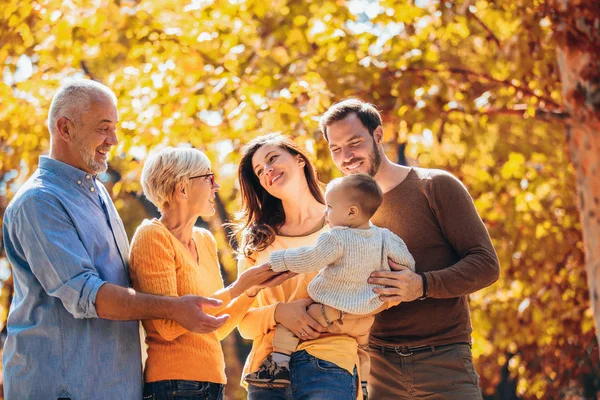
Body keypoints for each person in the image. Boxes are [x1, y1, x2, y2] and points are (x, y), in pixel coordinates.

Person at [1, 80, 229, 400]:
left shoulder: (97, 194)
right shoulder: (39, 201)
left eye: (115, 128)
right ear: (65, 128)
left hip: (115, 388)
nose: (114, 140)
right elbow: (86, 295)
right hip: (62, 388)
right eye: (103, 128)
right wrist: (173, 309)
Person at [320, 98, 500, 399]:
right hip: (376, 369)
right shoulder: (339, 212)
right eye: (336, 149)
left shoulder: (434, 186)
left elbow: (485, 264)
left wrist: (422, 285)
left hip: (444, 361)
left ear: (378, 136)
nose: (347, 157)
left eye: (354, 143)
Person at [129, 147, 290, 400]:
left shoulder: (204, 240)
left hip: (212, 383)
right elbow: (168, 326)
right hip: (174, 385)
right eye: (208, 178)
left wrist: (251, 290)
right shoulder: (152, 237)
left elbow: (217, 327)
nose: (215, 187)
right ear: (182, 188)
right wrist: (237, 287)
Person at [244, 173, 415, 396]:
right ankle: (363, 385)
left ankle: (278, 365)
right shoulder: (386, 237)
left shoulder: (336, 238)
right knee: (363, 350)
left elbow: (310, 258)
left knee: (291, 325)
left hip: (329, 310)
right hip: (364, 314)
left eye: (330, 207)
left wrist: (278, 260)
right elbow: (407, 265)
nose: (326, 213)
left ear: (351, 212)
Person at [235, 133, 364, 400]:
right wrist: (280, 313)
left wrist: (323, 318)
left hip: (330, 365)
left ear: (299, 160)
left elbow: (370, 300)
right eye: (260, 171)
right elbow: (243, 323)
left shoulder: (347, 222)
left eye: (272, 159)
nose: (267, 170)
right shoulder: (257, 241)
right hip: (267, 372)